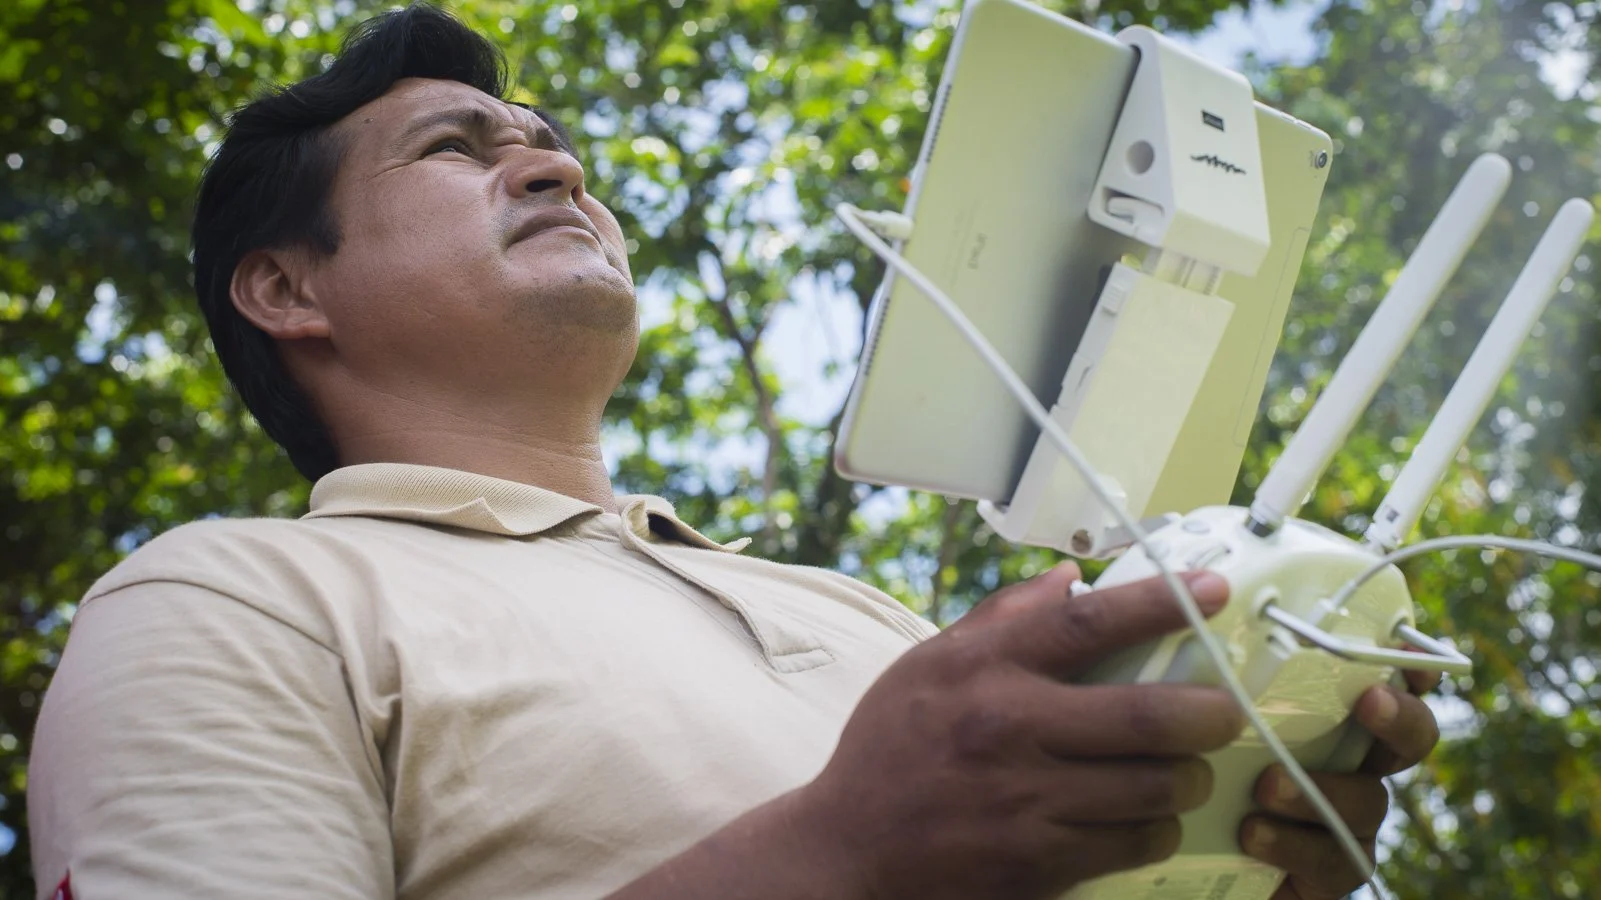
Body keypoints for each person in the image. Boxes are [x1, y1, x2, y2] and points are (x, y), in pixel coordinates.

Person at [27, 4, 1441, 899]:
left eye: (553, 143)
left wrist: (1229, 861)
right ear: (288, 290)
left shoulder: (877, 626)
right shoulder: (228, 601)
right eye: (456, 149)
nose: (555, 166)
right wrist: (841, 850)